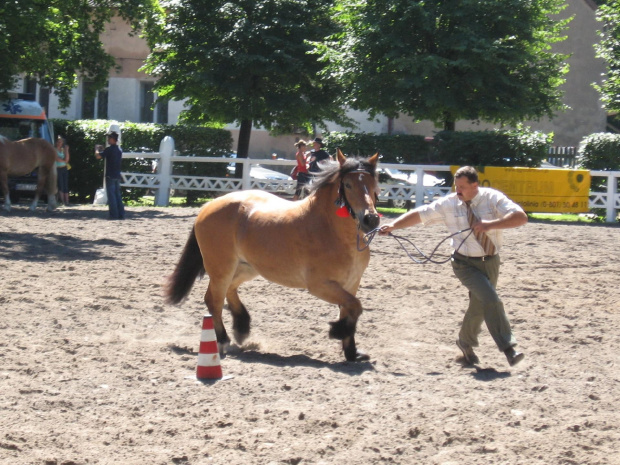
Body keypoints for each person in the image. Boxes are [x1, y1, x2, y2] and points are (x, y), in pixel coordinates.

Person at [379, 166, 528, 367]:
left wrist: (490, 225)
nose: (457, 191)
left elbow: (520, 217)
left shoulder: (493, 199)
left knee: (479, 306)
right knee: (491, 299)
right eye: (456, 186)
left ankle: (465, 343)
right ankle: (509, 348)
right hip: (463, 263)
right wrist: (394, 225)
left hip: (491, 260)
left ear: (475, 185)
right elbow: (421, 213)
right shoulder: (449, 204)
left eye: (462, 187)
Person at [95, 131, 125, 220]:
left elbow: (98, 156)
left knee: (111, 196)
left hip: (110, 175)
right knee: (117, 195)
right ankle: (121, 214)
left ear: (112, 139)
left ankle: (114, 214)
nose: (108, 140)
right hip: (117, 175)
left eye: (109, 138)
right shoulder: (119, 150)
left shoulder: (109, 150)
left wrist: (97, 149)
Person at [55, 136, 70, 206]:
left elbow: (67, 159)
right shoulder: (54, 150)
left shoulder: (63, 150)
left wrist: (66, 150)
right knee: (60, 184)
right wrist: (64, 160)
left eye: (60, 142)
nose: (59, 143)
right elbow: (57, 158)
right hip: (58, 168)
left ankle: (67, 201)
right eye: (58, 141)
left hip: (64, 168)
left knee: (65, 184)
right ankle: (62, 201)